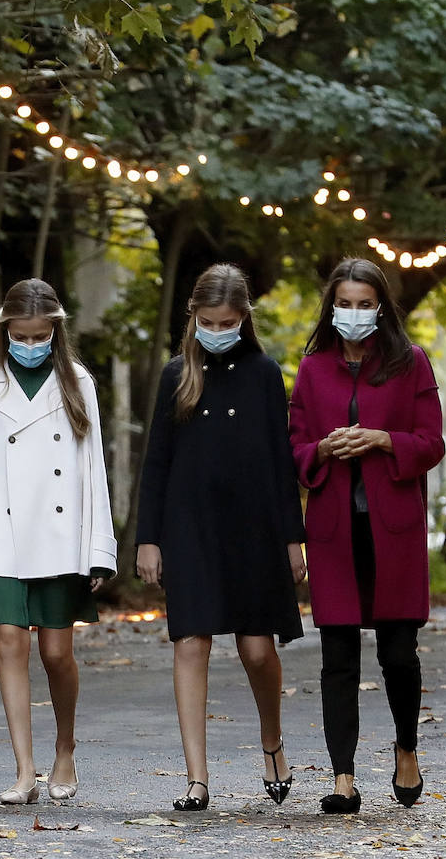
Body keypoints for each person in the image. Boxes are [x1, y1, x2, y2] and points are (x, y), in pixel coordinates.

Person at [135, 263, 306, 812]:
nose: (217, 329)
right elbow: (156, 460)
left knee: (257, 650)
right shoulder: (175, 374)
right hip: (190, 526)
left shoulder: (264, 373)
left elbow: (282, 464)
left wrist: (292, 540)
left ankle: (272, 742)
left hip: (253, 528)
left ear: (243, 319)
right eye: (208, 321)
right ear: (193, 318)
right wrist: (148, 539)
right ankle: (197, 780)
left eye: (228, 321)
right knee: (191, 643)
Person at [0, 279, 116, 805]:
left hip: (61, 535)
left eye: (42, 335)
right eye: (22, 335)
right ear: (6, 331)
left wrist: (98, 549)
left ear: (56, 332)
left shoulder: (78, 382)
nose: (32, 344)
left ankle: (65, 749)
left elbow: (93, 470)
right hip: (0, 532)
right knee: (9, 643)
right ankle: (25, 770)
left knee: (57, 652)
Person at [288, 258, 444, 815]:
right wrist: (324, 450)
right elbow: (296, 446)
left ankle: (406, 748)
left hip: (393, 529)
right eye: (345, 303)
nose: (354, 313)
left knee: (399, 655)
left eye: (364, 303)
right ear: (332, 307)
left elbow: (431, 443)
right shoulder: (312, 369)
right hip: (334, 531)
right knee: (338, 657)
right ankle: (343, 777)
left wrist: (382, 439)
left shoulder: (411, 364)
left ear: (382, 307)